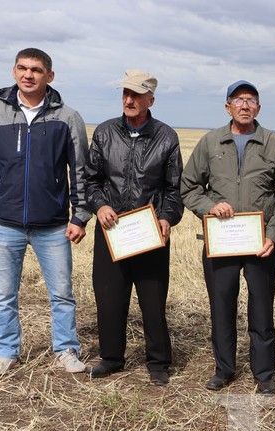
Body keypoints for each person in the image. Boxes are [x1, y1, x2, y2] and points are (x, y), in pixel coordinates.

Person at [0, 48, 90, 376]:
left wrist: (80, 217)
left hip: (53, 226)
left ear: (50, 75)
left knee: (62, 293)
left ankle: (66, 350)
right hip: (6, 222)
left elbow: (80, 170)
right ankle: (6, 351)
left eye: (36, 69)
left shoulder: (67, 117)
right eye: (22, 68)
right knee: (4, 293)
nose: (28, 74)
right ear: (14, 70)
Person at [181, 80, 275, 392]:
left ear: (258, 107)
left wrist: (274, 235)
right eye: (238, 100)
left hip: (261, 244)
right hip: (221, 242)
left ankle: (264, 374)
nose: (245, 105)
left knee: (262, 309)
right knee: (221, 306)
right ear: (227, 106)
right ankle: (224, 370)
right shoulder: (210, 142)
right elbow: (189, 186)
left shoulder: (273, 142)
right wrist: (209, 206)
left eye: (251, 100)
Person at [84, 70, 183, 386]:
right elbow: (91, 180)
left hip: (150, 232)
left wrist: (167, 216)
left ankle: (158, 362)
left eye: (137, 95)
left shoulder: (166, 137)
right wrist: (99, 205)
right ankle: (111, 358)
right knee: (109, 297)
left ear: (150, 99)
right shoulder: (104, 132)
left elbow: (173, 187)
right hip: (111, 231)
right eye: (126, 93)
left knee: (153, 300)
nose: (129, 99)